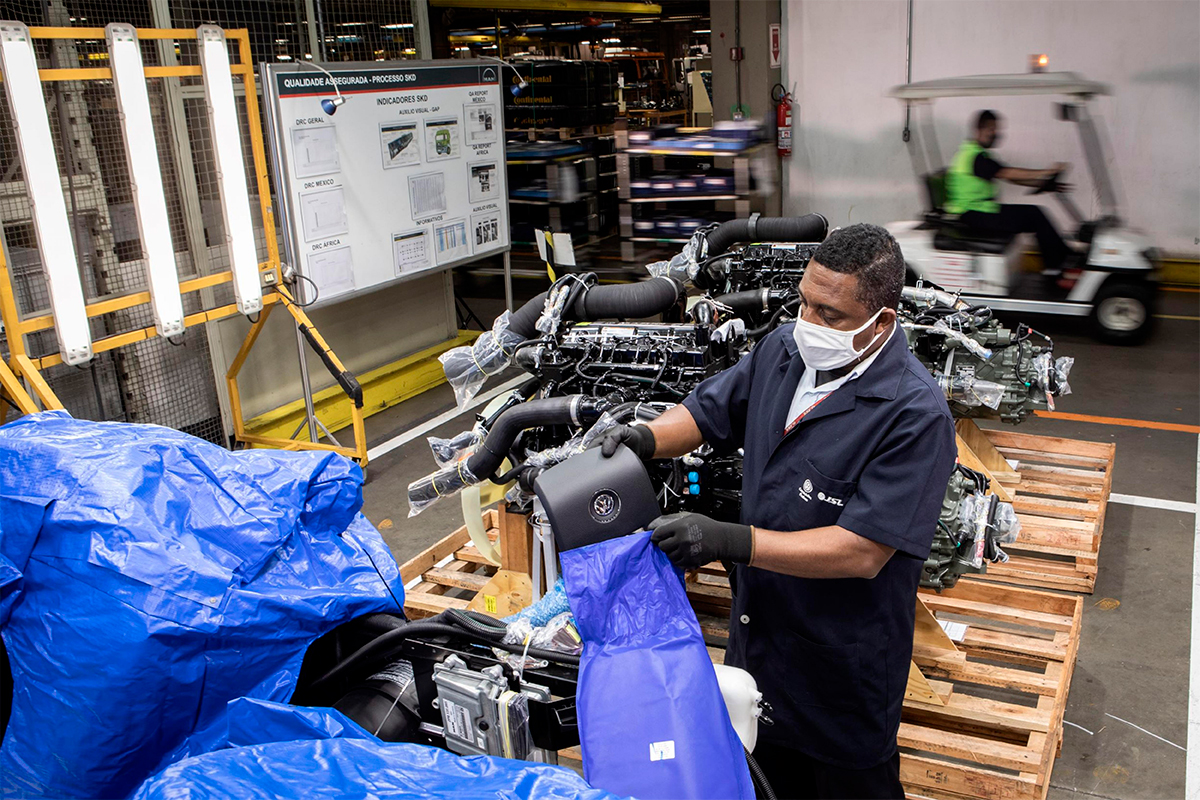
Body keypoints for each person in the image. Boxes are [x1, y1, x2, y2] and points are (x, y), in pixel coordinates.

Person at [592, 224, 957, 800]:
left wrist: (730, 541)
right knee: (759, 781)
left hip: (840, 674)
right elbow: (709, 411)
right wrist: (645, 437)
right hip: (759, 644)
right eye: (804, 302)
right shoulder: (784, 350)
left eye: (829, 314)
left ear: (881, 322)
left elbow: (863, 550)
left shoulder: (914, 414)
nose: (808, 322)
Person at [946, 109, 1074, 274]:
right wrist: (1046, 172)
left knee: (1034, 214)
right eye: (991, 129)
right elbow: (1006, 173)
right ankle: (1056, 267)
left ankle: (1061, 259)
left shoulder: (975, 153)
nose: (995, 134)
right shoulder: (975, 157)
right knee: (1035, 215)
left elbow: (1010, 176)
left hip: (979, 210)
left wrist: (1043, 183)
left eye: (996, 129)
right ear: (978, 130)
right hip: (973, 214)